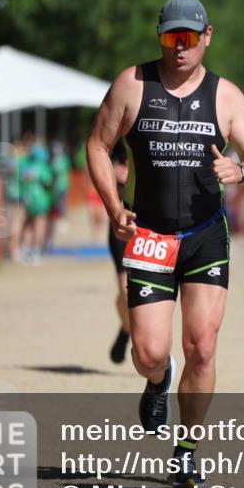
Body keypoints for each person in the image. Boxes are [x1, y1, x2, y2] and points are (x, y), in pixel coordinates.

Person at [87, 0, 244, 487]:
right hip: (148, 232)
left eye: (190, 37)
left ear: (207, 36)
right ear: (160, 36)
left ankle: (186, 447)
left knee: (203, 346)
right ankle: (157, 379)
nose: (181, 47)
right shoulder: (133, 84)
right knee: (147, 350)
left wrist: (243, 167)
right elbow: (98, 145)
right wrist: (113, 204)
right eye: (172, 37)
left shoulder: (226, 96)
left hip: (205, 233)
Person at [107, 140, 132, 364]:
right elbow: (95, 163)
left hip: (154, 223)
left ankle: (129, 330)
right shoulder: (116, 141)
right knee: (126, 293)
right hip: (123, 223)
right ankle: (127, 328)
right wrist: (113, 175)